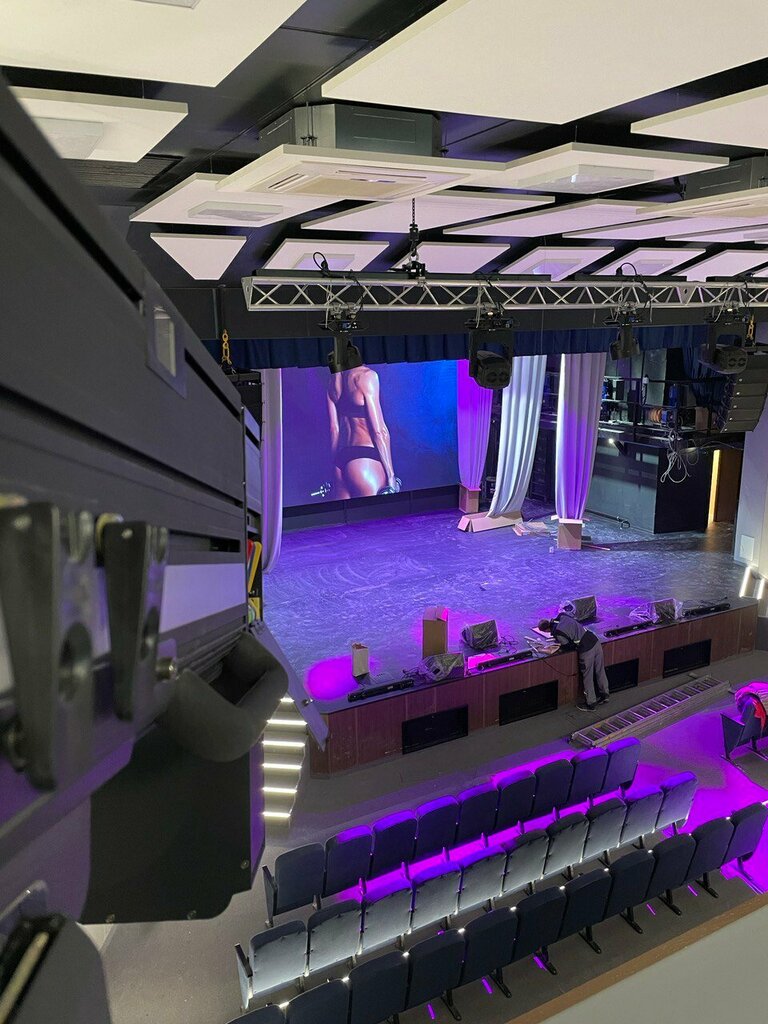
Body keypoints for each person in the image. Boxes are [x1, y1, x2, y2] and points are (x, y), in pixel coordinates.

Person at [327, 365, 400, 499]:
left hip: (341, 460)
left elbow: (334, 430)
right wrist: (391, 476)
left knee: (348, 513)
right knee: (375, 512)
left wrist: (334, 466)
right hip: (364, 459)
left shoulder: (333, 382)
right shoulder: (366, 376)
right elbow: (379, 432)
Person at [538, 612, 610, 712]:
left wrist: (558, 646)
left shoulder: (557, 632)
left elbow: (568, 646)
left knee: (587, 677)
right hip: (594, 641)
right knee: (600, 670)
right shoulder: (562, 616)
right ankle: (605, 695)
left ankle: (591, 704)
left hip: (586, 649)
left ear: (546, 630)